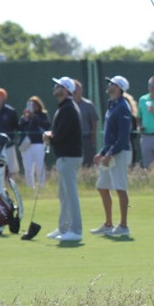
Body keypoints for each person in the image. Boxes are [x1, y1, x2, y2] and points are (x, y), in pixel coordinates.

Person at [89, 76, 133, 237]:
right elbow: (109, 135)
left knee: (120, 188)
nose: (108, 85)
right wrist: (102, 152)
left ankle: (123, 226)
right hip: (110, 152)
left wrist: (110, 153)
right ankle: (108, 224)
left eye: (112, 83)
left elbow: (122, 136)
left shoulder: (123, 107)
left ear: (119, 88)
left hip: (119, 152)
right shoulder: (112, 105)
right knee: (102, 186)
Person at [44, 77, 84, 242]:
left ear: (66, 90)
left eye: (59, 86)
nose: (55, 87)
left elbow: (61, 135)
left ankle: (75, 230)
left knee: (70, 194)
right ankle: (64, 227)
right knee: (64, 194)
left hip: (69, 156)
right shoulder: (64, 107)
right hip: (65, 156)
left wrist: (49, 136)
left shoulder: (68, 108)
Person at [18, 96, 50, 189]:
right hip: (27, 144)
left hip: (38, 143)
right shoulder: (25, 117)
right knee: (27, 168)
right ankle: (29, 187)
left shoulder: (42, 115)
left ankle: (41, 187)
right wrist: (25, 118)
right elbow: (20, 127)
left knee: (39, 166)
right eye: (31, 105)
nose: (33, 107)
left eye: (35, 105)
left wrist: (34, 117)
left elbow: (46, 125)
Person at [72, 79, 99, 168]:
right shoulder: (68, 105)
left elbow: (94, 123)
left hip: (86, 139)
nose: (76, 90)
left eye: (78, 88)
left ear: (81, 90)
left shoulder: (88, 105)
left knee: (88, 163)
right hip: (72, 140)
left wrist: (93, 139)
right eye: (74, 88)